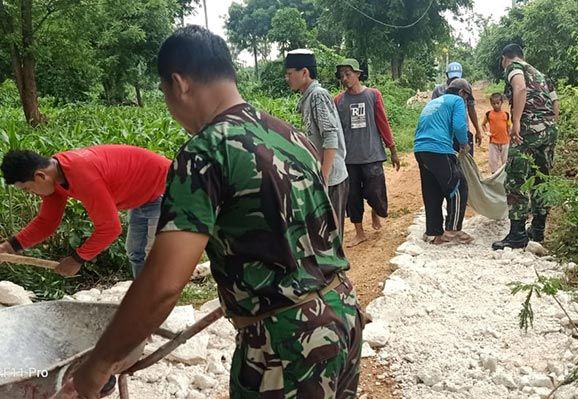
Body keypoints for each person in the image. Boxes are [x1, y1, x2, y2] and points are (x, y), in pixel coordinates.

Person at [53, 26, 362, 399]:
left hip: (288, 344)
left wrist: (98, 365)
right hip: (342, 314)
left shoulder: (205, 152)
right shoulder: (291, 137)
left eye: (166, 95)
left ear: (179, 83)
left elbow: (164, 284)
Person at [0, 145, 170, 277]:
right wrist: (9, 246)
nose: (33, 194)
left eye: (29, 189)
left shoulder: (83, 176)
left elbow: (110, 228)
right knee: (136, 253)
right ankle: (145, 301)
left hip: (168, 188)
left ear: (40, 176)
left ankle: (158, 306)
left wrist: (77, 259)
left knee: (155, 257)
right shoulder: (55, 178)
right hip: (143, 196)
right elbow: (46, 222)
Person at [493, 44, 558, 250]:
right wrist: (549, 125)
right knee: (541, 178)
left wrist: (518, 121)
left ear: (505, 58)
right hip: (549, 130)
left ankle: (517, 235)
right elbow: (555, 102)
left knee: (515, 178)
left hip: (528, 130)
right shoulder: (541, 74)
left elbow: (519, 87)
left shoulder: (514, 68)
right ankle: (538, 230)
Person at [284, 48, 349, 242]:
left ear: (304, 72)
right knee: (322, 236)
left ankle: (338, 272)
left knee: (332, 237)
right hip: (323, 177)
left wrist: (324, 176)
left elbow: (330, 138)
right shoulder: (308, 97)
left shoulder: (318, 96)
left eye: (290, 74)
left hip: (332, 179)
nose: (287, 79)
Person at [334, 58, 400, 247]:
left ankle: (375, 210)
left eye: (348, 74)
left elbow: (382, 122)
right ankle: (359, 232)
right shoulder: (338, 101)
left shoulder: (373, 95)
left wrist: (393, 149)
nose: (345, 78)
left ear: (358, 74)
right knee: (352, 197)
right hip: (349, 158)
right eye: (342, 76)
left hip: (372, 155)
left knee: (376, 192)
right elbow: (335, 130)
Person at [414, 79, 474, 245]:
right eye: (467, 98)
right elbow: (460, 126)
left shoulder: (434, 102)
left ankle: (433, 232)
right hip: (438, 149)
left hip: (420, 149)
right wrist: (464, 144)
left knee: (432, 189)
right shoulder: (456, 101)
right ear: (462, 93)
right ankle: (452, 231)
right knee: (458, 186)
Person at [431, 61, 483, 155]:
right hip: (445, 133)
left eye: (456, 77)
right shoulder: (438, 90)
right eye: (452, 77)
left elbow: (471, 109)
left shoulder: (465, 87)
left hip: (462, 131)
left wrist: (478, 130)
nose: (454, 80)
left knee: (466, 162)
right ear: (447, 75)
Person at [481, 93, 511, 174]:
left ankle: (505, 176)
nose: (496, 105)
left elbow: (509, 127)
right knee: (493, 162)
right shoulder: (489, 114)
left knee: (505, 161)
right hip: (493, 142)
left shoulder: (506, 115)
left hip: (505, 142)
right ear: (491, 103)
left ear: (501, 102)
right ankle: (494, 177)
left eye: (498, 103)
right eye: (493, 103)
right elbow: (483, 124)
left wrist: (510, 137)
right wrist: (487, 132)